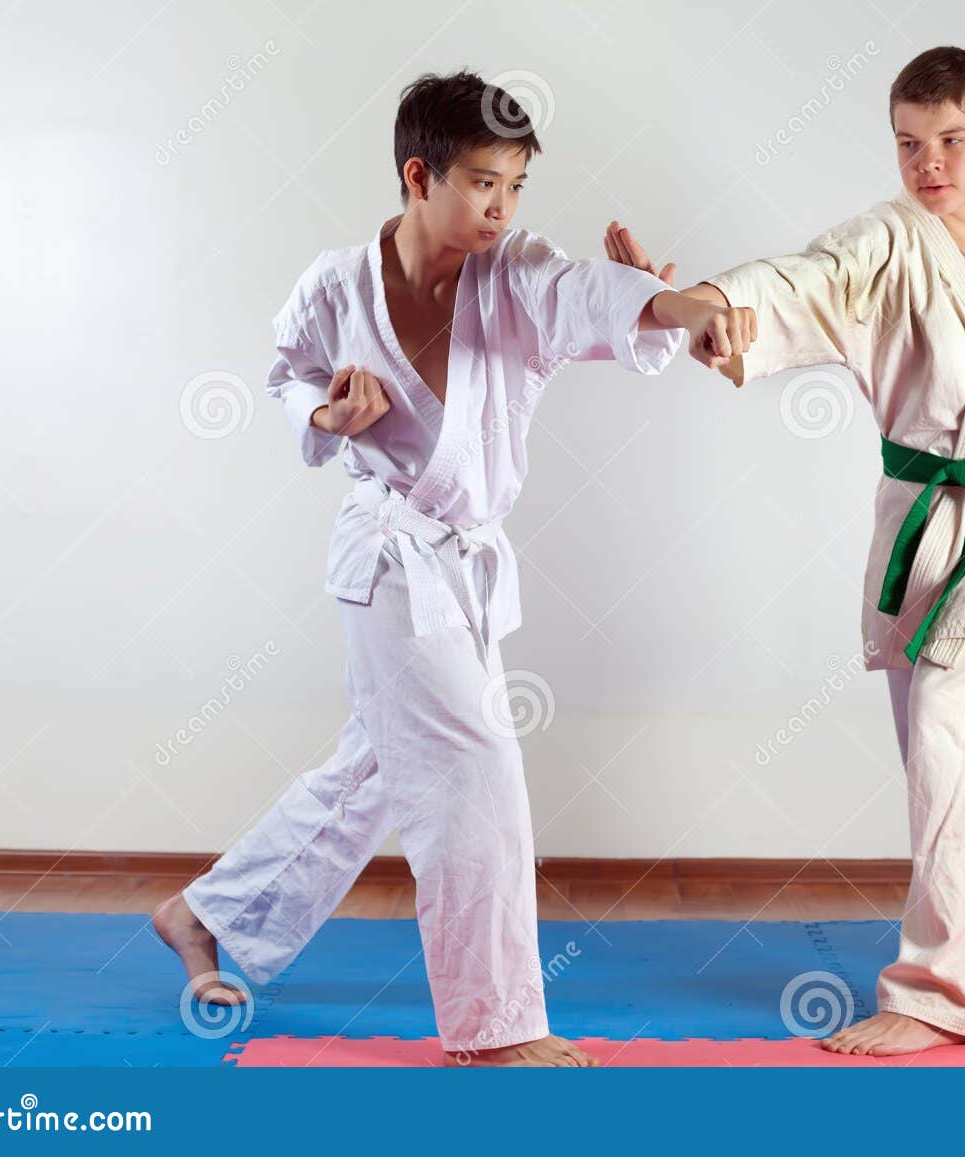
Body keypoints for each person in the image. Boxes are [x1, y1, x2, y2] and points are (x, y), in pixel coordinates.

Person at [155, 70, 754, 1067]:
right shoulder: (335, 286)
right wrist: (323, 415)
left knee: (377, 767)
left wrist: (680, 302)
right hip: (387, 555)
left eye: (516, 185)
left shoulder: (514, 271)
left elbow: (588, 295)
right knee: (474, 764)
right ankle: (495, 1026)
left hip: (462, 564)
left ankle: (204, 911)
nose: (501, 207)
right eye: (482, 181)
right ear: (417, 174)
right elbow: (284, 376)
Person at [604, 45, 965, 1055]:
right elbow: (797, 282)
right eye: (908, 144)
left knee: (952, 724)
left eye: (948, 142)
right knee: (963, 744)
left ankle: (947, 993)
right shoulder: (883, 240)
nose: (928, 162)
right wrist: (699, 306)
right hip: (927, 515)